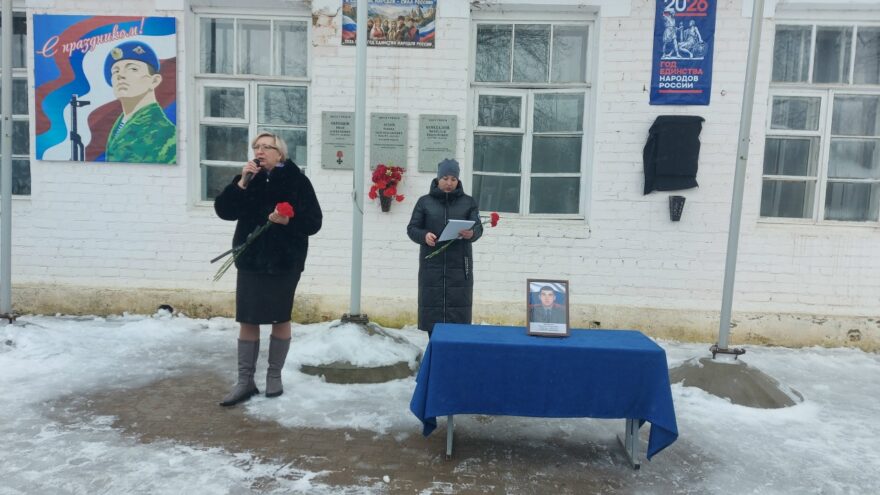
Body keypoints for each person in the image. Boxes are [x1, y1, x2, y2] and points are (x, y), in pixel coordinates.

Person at [214, 132, 323, 406]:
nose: (259, 151)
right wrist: (241, 183)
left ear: (280, 153)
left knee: (279, 318)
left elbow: (314, 222)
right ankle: (245, 381)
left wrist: (287, 221)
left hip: (284, 262)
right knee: (248, 319)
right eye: (256, 147)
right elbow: (224, 211)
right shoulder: (247, 180)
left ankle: (274, 376)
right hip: (250, 261)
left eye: (266, 147)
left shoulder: (297, 181)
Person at [407, 159, 483, 336]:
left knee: (458, 316)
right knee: (432, 315)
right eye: (445, 178)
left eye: (453, 179)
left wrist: (472, 233)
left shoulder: (468, 202)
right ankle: (434, 346)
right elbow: (412, 229)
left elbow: (478, 228)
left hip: (460, 267)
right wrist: (424, 236)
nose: (449, 183)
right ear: (438, 178)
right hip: (432, 266)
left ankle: (456, 349)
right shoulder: (424, 202)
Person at [103, 40, 176, 163]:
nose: (120, 75)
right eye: (115, 71)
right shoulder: (121, 125)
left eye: (133, 69)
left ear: (154, 81)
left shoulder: (164, 134)